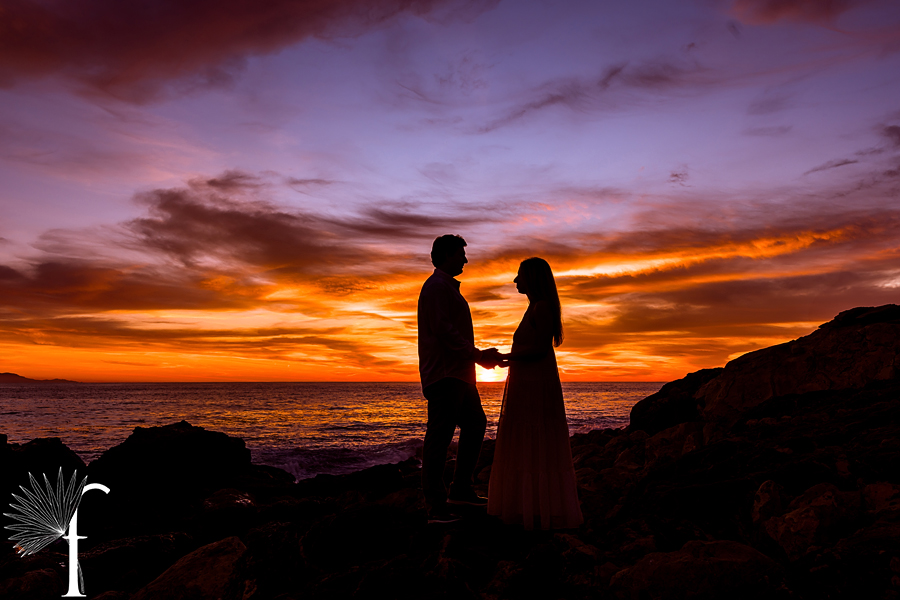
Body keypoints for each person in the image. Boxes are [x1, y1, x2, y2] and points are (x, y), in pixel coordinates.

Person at [487, 257, 583, 530]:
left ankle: (537, 512)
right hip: (527, 383)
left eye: (520, 275)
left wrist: (506, 357)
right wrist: (508, 360)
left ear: (532, 278)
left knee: (535, 441)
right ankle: (529, 507)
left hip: (535, 386)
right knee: (529, 443)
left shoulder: (541, 307)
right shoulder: (534, 307)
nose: (516, 280)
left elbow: (540, 349)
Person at [418, 234, 501, 524]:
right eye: (460, 254)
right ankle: (436, 506)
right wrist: (477, 355)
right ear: (446, 255)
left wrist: (477, 358)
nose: (465, 260)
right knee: (439, 437)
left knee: (475, 423)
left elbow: (451, 332)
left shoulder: (446, 288)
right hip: (445, 374)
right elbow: (444, 331)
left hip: (460, 374)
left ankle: (460, 490)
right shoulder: (437, 287)